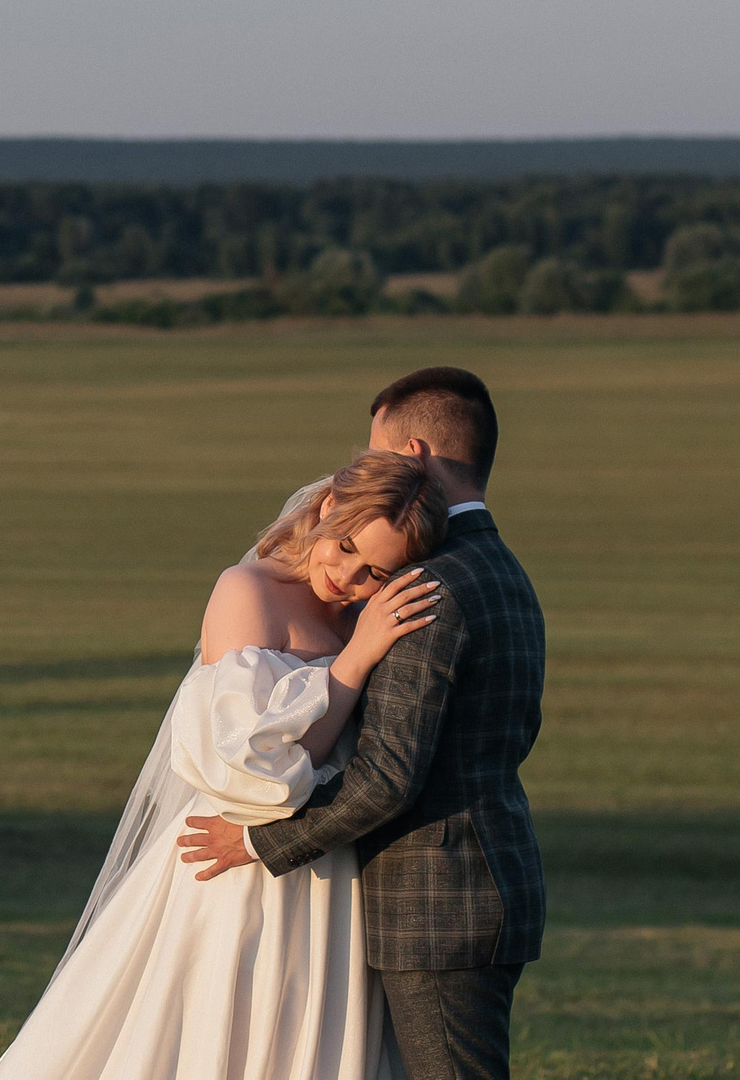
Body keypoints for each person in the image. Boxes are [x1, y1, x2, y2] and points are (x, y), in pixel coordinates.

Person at [0, 448, 449, 1080]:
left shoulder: (364, 617)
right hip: (234, 859)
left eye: (373, 572)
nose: (346, 577)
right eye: (342, 547)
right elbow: (261, 774)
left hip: (328, 867)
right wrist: (353, 663)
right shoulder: (248, 590)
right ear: (327, 506)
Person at [178, 366, 548, 1080]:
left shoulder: (427, 586)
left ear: (411, 456)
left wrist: (257, 840)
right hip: (488, 880)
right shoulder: (503, 569)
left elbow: (389, 776)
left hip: (437, 902)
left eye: (375, 451)